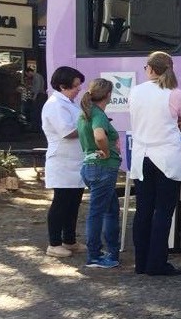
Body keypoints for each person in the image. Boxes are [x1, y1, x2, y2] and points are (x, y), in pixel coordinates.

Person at [129, 51, 181, 277]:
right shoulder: (175, 93)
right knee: (164, 212)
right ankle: (157, 262)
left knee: (143, 210)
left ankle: (141, 262)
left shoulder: (135, 91)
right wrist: (174, 125)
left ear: (149, 68)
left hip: (141, 155)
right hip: (166, 157)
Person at [40, 66, 86, 258]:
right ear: (62, 86)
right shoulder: (55, 105)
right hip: (62, 161)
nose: (78, 89)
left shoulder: (70, 103)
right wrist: (89, 127)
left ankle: (69, 239)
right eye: (75, 86)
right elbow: (67, 132)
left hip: (75, 161)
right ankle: (54, 243)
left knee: (74, 202)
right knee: (61, 202)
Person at [76, 78, 122, 269]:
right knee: (98, 212)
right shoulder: (99, 114)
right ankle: (94, 255)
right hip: (103, 167)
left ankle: (112, 251)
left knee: (110, 209)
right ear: (108, 95)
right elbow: (99, 135)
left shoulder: (85, 113)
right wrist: (106, 151)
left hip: (89, 166)